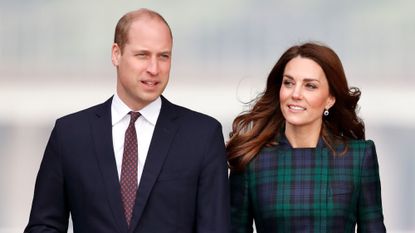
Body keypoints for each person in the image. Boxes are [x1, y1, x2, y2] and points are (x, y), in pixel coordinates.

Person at [25, 8, 230, 233]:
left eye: (163, 56)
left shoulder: (202, 135)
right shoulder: (70, 134)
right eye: (142, 55)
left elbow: (215, 227)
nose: (154, 69)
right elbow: (43, 226)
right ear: (116, 54)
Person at [227, 42, 386, 233]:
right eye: (288, 83)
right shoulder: (252, 159)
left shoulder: (358, 157)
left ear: (330, 99)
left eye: (310, 86)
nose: (295, 94)